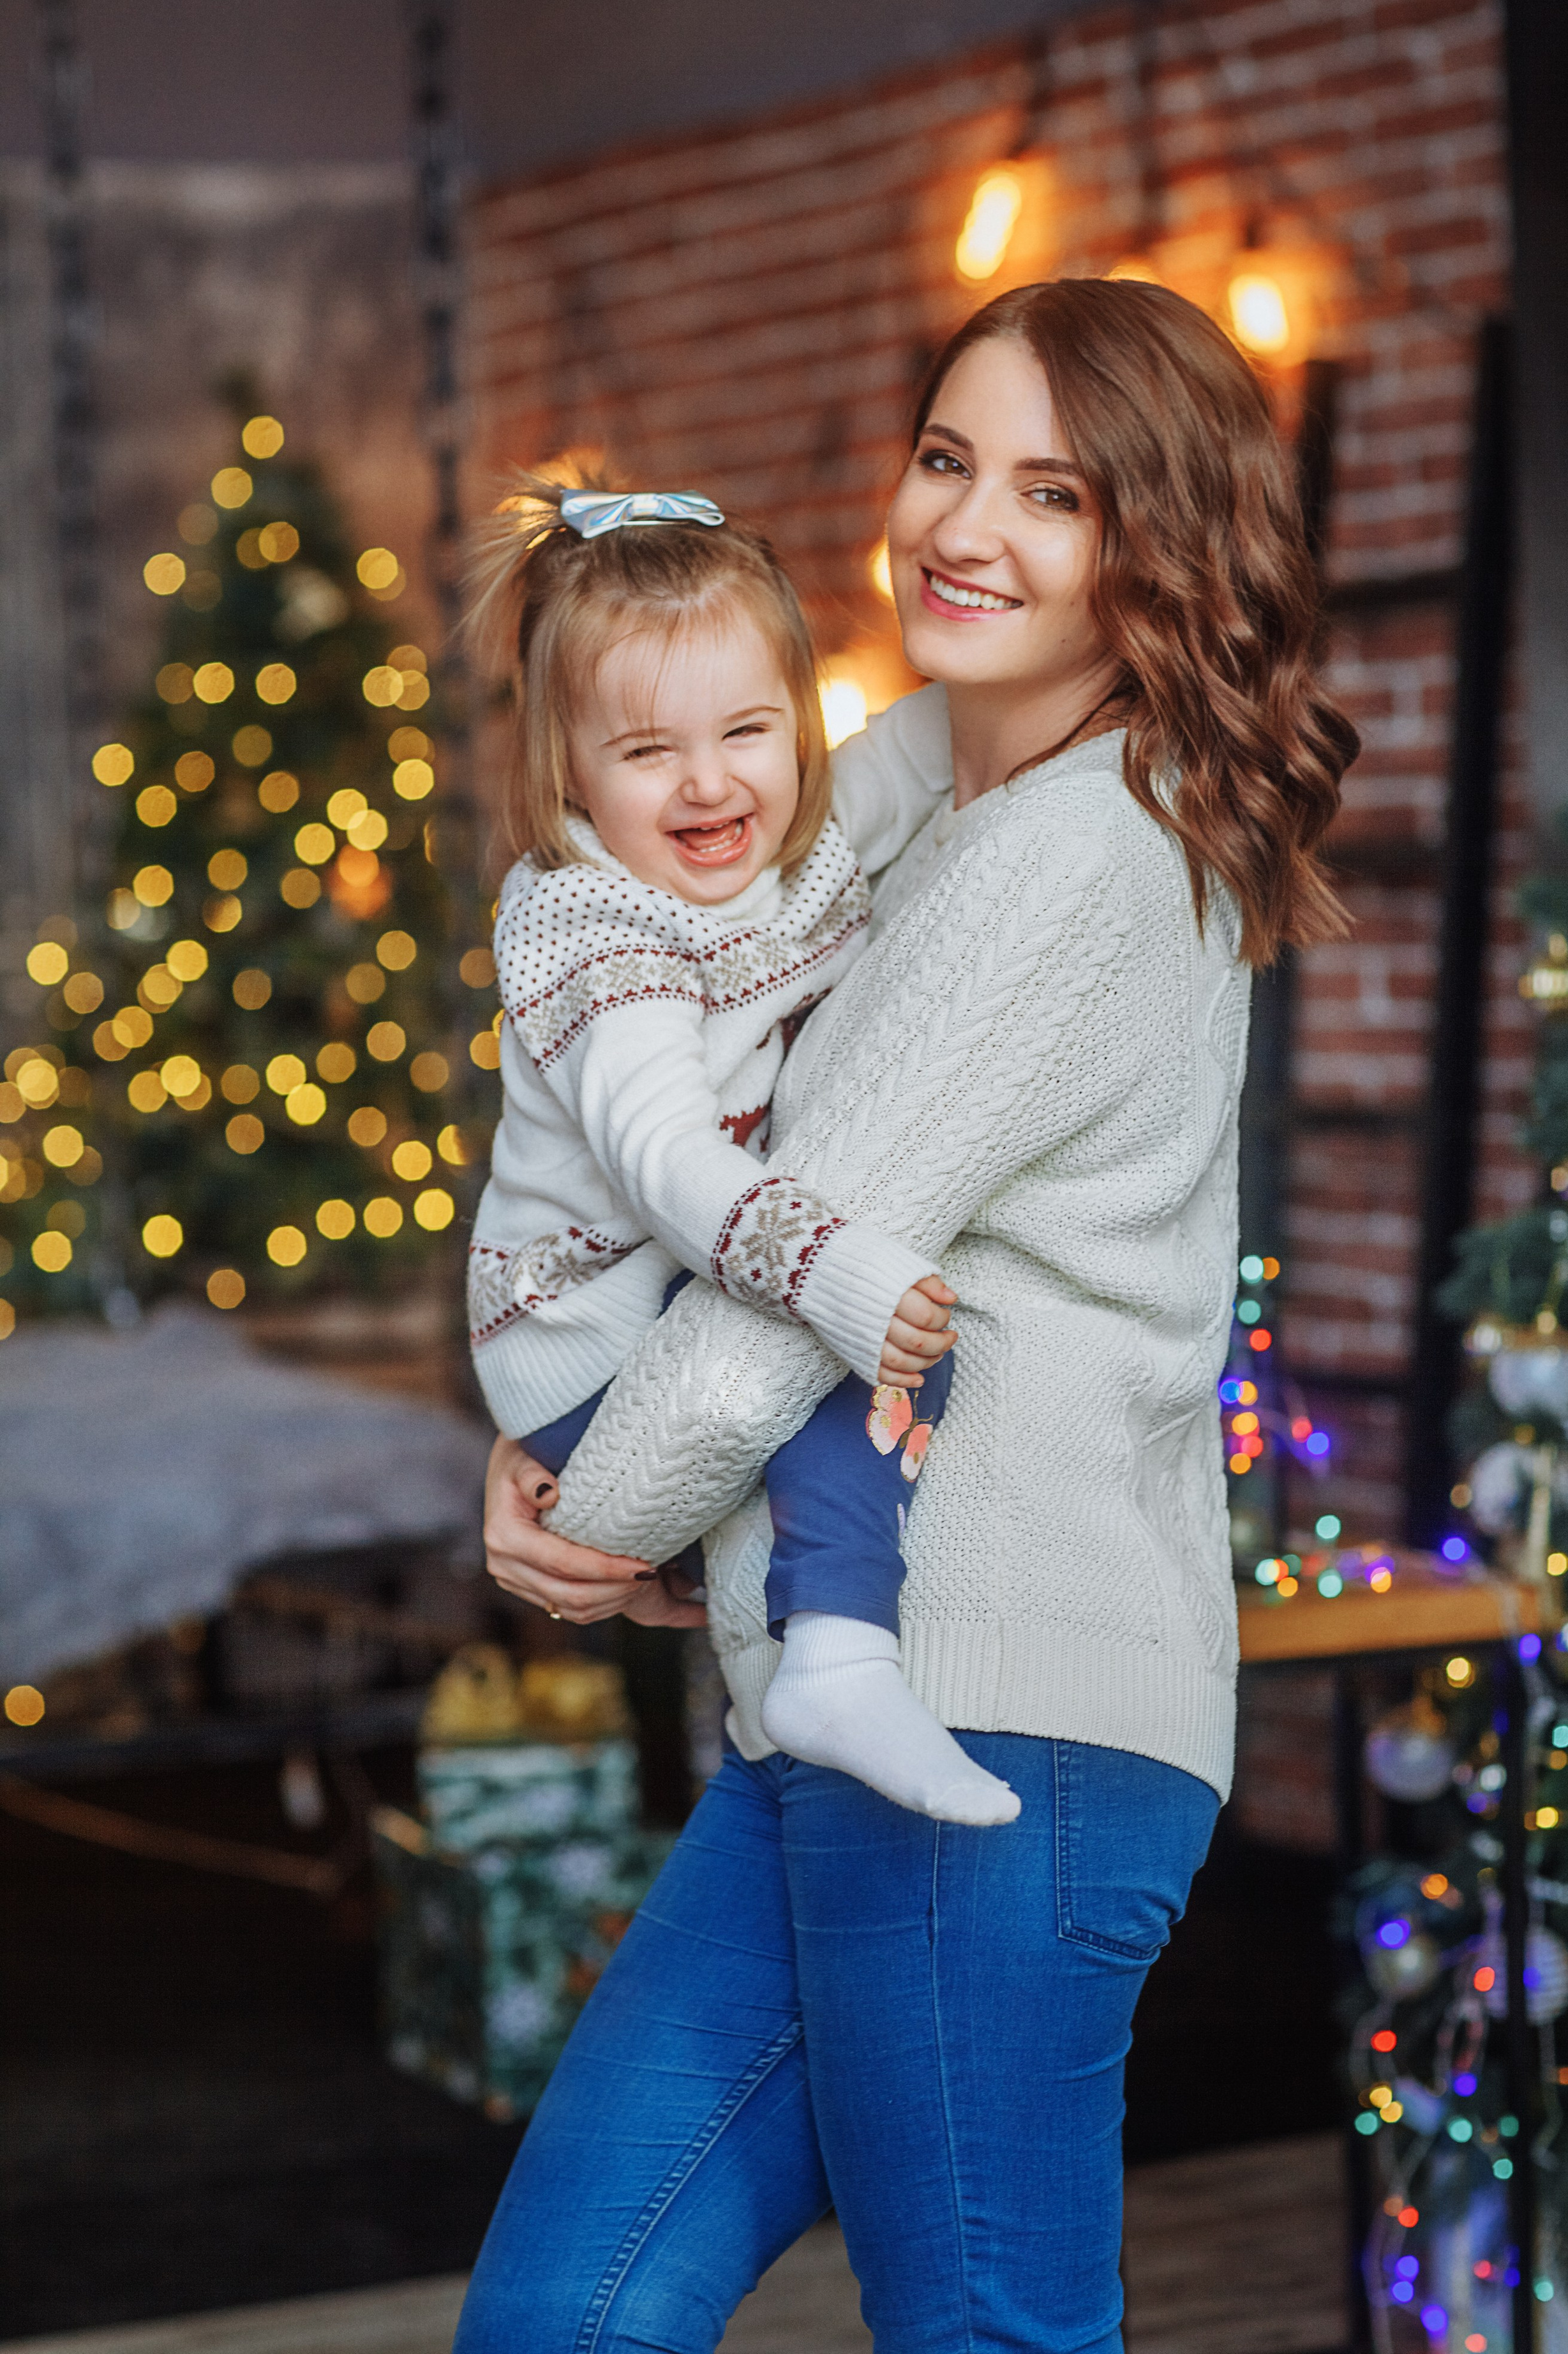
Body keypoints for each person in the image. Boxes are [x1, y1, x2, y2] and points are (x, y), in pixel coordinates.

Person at [456, 279, 1359, 2354]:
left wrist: (578, 1515)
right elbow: (725, 846)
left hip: (1003, 1709)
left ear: (1156, 546)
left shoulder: (1081, 849)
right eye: (949, 459)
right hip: (835, 1709)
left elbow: (782, 1296)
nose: (963, 525)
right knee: (562, 2320)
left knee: (983, 2336)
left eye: (1053, 493)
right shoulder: (951, 785)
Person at [465, 477, 1019, 1824]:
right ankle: (837, 1663)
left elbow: (930, 736)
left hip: (680, 1282)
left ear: (795, 727)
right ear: (570, 772)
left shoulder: (791, 849)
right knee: (859, 1359)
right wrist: (838, 1273)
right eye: (647, 751)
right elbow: (665, 1160)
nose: (711, 782)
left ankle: (812, 1658)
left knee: (847, 1369)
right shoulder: (599, 932)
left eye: (749, 731)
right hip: (580, 1322)